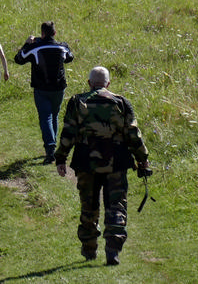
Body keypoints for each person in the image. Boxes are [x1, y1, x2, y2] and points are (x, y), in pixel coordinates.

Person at [55, 66, 152, 266]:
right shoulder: (121, 103)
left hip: (85, 163)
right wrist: (142, 158)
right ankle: (113, 249)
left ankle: (89, 248)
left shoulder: (77, 101)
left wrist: (61, 158)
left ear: (89, 83)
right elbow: (133, 134)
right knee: (116, 204)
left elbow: (68, 133)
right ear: (108, 84)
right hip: (116, 163)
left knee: (88, 206)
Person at [14, 20, 74, 164]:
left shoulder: (35, 47)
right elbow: (70, 58)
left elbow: (18, 59)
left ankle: (50, 149)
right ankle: (53, 146)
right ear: (55, 33)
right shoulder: (62, 47)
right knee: (54, 115)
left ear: (42, 33)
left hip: (41, 88)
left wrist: (27, 43)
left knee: (45, 117)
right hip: (59, 87)